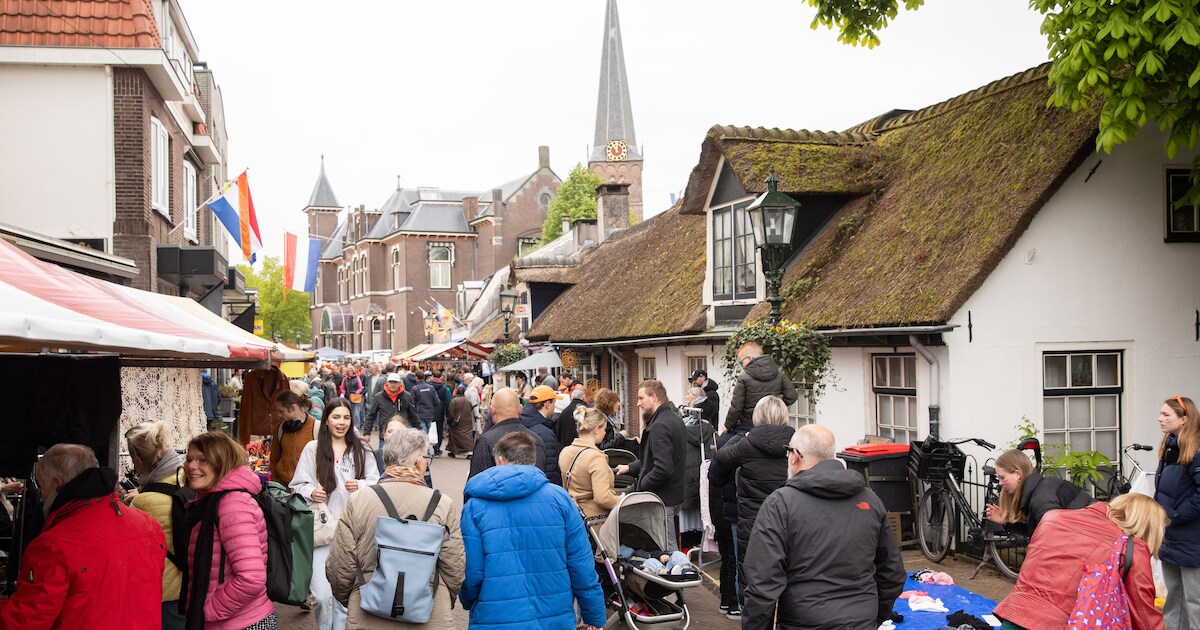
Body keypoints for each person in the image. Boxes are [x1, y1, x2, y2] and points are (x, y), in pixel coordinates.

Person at [742, 424, 904, 630]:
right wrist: (872, 615)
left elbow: (762, 585)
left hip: (804, 622)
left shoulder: (780, 504)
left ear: (795, 456)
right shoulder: (870, 500)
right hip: (859, 621)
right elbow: (892, 572)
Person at [0, 444, 165, 629]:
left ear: (57, 483)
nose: (41, 495)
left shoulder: (54, 544)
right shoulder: (149, 526)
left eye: (41, 486)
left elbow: (23, 622)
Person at [459, 431, 606, 630]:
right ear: (532, 461)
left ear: (500, 460)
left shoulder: (475, 506)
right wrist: (594, 617)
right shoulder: (560, 500)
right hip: (553, 619)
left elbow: (473, 571)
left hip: (495, 618)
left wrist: (467, 599)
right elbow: (581, 566)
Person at [326, 427, 465, 629]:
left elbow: (340, 565)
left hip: (369, 608)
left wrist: (357, 597)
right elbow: (454, 567)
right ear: (419, 461)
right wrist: (442, 600)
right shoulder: (442, 504)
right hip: (428, 611)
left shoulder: (359, 500)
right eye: (426, 456)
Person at [993, 493, 1165, 629]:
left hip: (1015, 617)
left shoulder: (1052, 518)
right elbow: (1144, 616)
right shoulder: (1132, 548)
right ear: (1148, 528)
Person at [290, 398, 381, 630]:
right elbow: (296, 485)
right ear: (327, 420)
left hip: (353, 533)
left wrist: (360, 485)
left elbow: (377, 484)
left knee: (344, 599)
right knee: (321, 595)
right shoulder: (313, 448)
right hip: (321, 531)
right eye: (336, 417)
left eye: (346, 417)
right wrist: (311, 490)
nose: (341, 423)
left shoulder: (362, 450)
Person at [710, 395, 796, 616]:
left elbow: (719, 463)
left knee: (749, 576)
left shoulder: (747, 444)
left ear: (756, 416)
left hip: (750, 522)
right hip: (788, 520)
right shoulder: (796, 443)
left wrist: (739, 436)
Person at [181, 432, 276, 630]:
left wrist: (208, 610)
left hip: (240, 623)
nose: (191, 466)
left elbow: (251, 579)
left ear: (221, 462)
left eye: (202, 460)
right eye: (189, 459)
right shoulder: (208, 502)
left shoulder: (232, 504)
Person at [124, 422, 189, 630]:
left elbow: (133, 552)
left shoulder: (143, 502)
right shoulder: (184, 478)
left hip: (165, 590)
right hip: (191, 582)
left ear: (137, 460)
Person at [615, 380, 687, 552]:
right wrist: (629, 468)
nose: (638, 403)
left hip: (663, 500)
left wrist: (643, 486)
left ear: (654, 397)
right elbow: (653, 459)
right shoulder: (674, 420)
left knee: (669, 551)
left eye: (641, 398)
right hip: (674, 495)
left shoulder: (659, 426)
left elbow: (663, 468)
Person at [1156, 395, 1200, 628]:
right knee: (1174, 599)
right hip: (1171, 537)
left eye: (1166, 415)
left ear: (1184, 419)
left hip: (1192, 539)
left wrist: (1174, 515)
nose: (1159, 419)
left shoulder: (1197, 450)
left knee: (1195, 601)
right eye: (1161, 413)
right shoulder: (1170, 447)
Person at [985, 448, 1093, 536]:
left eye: (1002, 477)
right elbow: (1039, 531)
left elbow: (1053, 540)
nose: (1000, 483)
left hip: (1098, 541)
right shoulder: (1040, 488)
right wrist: (1007, 522)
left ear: (1018, 474)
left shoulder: (1040, 500)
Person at [468, 388, 547, 481]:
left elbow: (476, 483)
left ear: (492, 410)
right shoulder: (536, 440)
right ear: (520, 409)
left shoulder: (485, 441)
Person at [559, 407, 621, 526]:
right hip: (596, 522)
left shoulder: (565, 452)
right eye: (604, 428)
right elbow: (603, 498)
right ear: (596, 429)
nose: (605, 432)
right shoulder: (595, 458)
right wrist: (621, 500)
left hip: (574, 517)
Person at [723, 342, 798, 435]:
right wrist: (774, 406)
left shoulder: (744, 377)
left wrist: (727, 426)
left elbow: (736, 407)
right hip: (774, 423)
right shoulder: (779, 374)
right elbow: (792, 396)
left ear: (749, 358)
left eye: (741, 362)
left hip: (748, 425)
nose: (741, 365)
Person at [271, 387, 318, 486]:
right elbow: (274, 459)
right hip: (284, 485)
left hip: (308, 487)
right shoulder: (279, 429)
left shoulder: (317, 428)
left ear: (292, 408)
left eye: (281, 411)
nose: (279, 415)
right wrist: (275, 484)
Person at [519, 385, 564, 485]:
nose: (554, 407)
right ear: (547, 404)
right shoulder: (545, 433)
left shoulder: (522, 422)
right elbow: (550, 471)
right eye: (554, 403)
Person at [362, 371, 419, 446]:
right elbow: (371, 415)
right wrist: (366, 433)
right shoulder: (379, 397)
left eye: (395, 382)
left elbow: (414, 415)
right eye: (391, 382)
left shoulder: (407, 396)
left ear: (399, 383)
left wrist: (418, 432)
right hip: (385, 436)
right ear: (387, 383)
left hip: (402, 436)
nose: (393, 384)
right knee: (383, 456)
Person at [409, 371, 441, 454]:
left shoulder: (415, 389)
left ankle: (427, 453)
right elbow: (437, 401)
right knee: (428, 433)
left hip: (420, 414)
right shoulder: (431, 388)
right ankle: (429, 451)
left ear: (416, 377)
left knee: (423, 434)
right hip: (430, 413)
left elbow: (412, 403)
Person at [446, 384, 476, 457]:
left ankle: (454, 451)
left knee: (454, 437)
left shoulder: (454, 401)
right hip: (467, 422)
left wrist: (449, 420)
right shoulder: (468, 401)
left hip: (457, 423)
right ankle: (470, 452)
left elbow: (450, 412)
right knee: (467, 438)